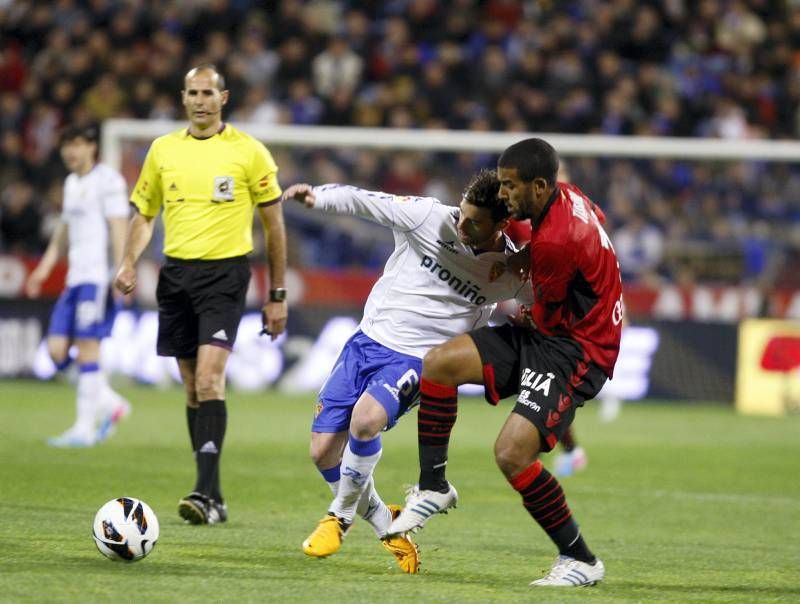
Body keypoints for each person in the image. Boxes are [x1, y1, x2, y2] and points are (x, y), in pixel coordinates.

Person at [389, 138, 623, 588]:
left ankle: (580, 560)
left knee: (511, 453)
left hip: (578, 350)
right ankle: (433, 486)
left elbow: (543, 313)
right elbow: (598, 222)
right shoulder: (569, 198)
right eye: (502, 184)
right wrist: (525, 258)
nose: (504, 195)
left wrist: (515, 276)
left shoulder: (556, 241)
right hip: (556, 334)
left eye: (511, 187)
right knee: (440, 363)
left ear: (539, 186)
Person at [282, 169, 532, 574]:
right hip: (366, 341)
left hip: (420, 359)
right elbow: (365, 201)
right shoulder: (429, 217)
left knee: (366, 421)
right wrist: (319, 196)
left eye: (475, 222)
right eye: (462, 214)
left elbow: (547, 302)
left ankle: (338, 517)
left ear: (501, 225)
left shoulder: (509, 271)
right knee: (322, 451)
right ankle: (387, 523)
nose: (462, 225)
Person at [114, 64, 288, 525]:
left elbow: (274, 225)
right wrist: (129, 262)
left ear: (223, 97)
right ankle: (212, 495)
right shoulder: (162, 150)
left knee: (210, 379)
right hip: (174, 277)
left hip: (225, 276)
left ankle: (204, 495)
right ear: (183, 97)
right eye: (192, 92)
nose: (200, 100)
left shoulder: (249, 152)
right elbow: (145, 214)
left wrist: (278, 293)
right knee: (192, 387)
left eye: (208, 92)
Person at [26, 123, 131, 448]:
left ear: (91, 147)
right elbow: (63, 230)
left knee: (88, 349)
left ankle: (84, 428)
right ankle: (111, 402)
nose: (70, 151)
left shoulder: (109, 181)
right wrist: (44, 268)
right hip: (74, 279)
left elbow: (118, 226)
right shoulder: (72, 183)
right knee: (56, 351)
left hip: (97, 279)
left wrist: (121, 269)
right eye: (66, 145)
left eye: (76, 143)